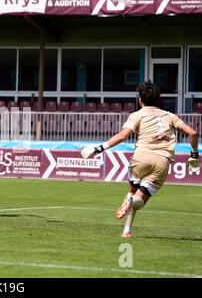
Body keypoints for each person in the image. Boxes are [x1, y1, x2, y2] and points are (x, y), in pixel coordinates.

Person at [81, 80, 200, 238]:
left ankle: (127, 226)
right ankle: (127, 228)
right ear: (158, 99)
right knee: (139, 200)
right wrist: (194, 155)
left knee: (132, 192)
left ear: (140, 99)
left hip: (141, 157)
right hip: (163, 161)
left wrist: (98, 148)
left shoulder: (136, 115)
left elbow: (122, 136)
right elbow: (192, 133)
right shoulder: (170, 116)